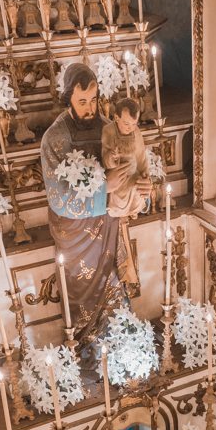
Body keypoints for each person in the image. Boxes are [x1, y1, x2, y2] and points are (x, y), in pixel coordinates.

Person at [40, 64, 148, 345]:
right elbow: (59, 199)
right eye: (82, 101)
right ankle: (87, 348)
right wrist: (104, 187)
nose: (90, 108)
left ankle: (120, 349)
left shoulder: (109, 129)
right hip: (77, 236)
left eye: (94, 99)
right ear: (68, 99)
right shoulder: (55, 138)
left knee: (114, 288)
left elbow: (132, 171)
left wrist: (142, 189)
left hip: (110, 226)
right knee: (83, 294)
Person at [101, 98, 151, 221]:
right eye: (126, 123)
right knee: (121, 193)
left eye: (134, 124)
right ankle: (119, 210)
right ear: (116, 118)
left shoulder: (137, 132)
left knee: (138, 187)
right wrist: (112, 157)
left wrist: (146, 175)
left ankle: (134, 209)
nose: (130, 128)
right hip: (119, 174)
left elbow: (141, 157)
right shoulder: (109, 131)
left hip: (133, 171)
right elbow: (104, 156)